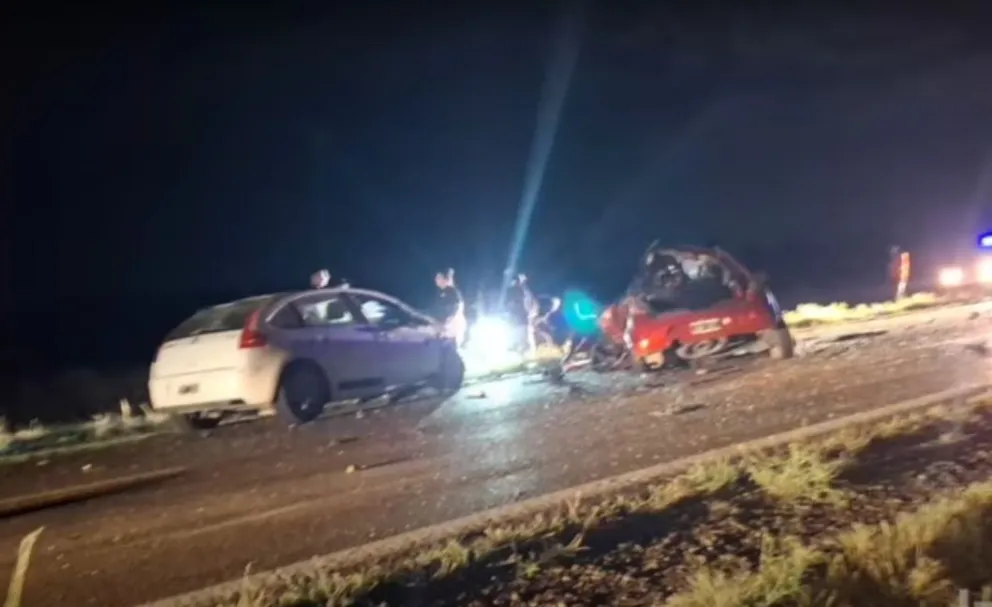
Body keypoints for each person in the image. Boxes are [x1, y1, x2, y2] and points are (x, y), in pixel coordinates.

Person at [434, 268, 467, 347]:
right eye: (436, 280)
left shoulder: (450, 290)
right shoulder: (442, 293)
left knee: (456, 341)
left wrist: (451, 318)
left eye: (439, 279)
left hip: (456, 319)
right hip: (451, 320)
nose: (437, 282)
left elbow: (459, 304)